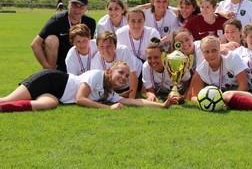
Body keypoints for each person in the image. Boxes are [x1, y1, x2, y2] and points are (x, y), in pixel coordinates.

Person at [0, 61, 177, 113]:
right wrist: (108, 109)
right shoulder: (96, 75)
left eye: (126, 75)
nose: (124, 78)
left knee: (48, 105)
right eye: (120, 73)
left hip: (56, 95)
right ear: (109, 71)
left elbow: (136, 102)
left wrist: (163, 105)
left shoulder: (110, 92)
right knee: (8, 99)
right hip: (49, 80)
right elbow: (80, 99)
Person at [31, 0, 96, 72]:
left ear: (86, 8)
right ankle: (52, 74)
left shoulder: (90, 22)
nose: (77, 10)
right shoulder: (57, 20)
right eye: (74, 5)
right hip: (60, 63)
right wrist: (46, 67)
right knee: (51, 39)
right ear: (68, 5)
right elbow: (35, 44)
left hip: (80, 64)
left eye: (81, 7)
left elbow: (91, 47)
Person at [91, 31, 141, 98]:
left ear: (115, 46)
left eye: (109, 46)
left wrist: (131, 98)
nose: (105, 50)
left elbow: (133, 74)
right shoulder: (95, 61)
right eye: (102, 46)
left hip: (137, 77)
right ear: (98, 48)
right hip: (115, 86)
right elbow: (99, 86)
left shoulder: (123, 51)